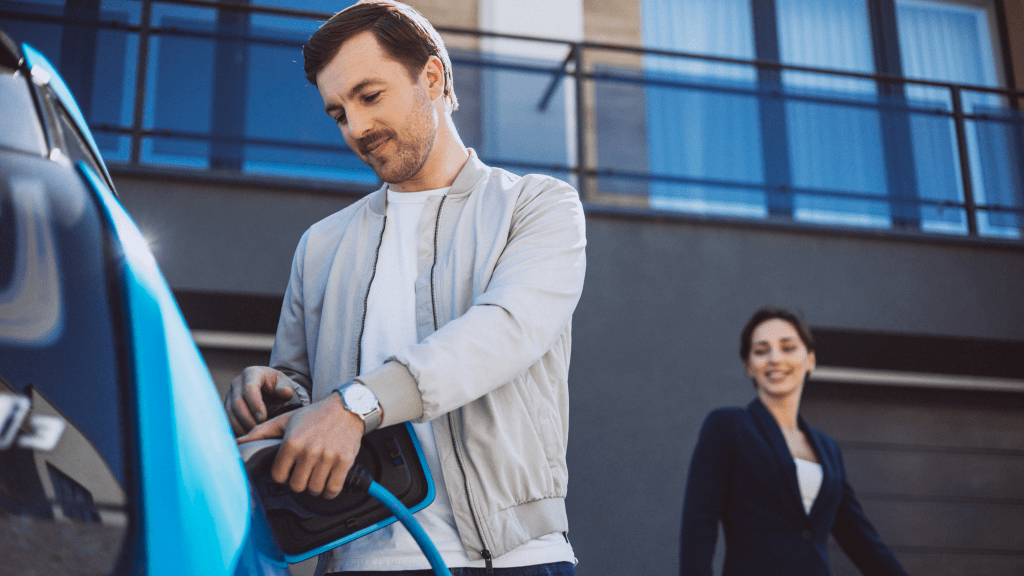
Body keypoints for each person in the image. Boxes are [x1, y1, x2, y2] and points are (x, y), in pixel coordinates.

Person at [224, 2, 586, 575]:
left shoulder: (537, 207)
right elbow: (308, 390)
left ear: (433, 77)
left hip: (515, 560)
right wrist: (279, 395)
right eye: (338, 113)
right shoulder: (320, 245)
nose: (357, 128)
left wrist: (355, 405)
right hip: (354, 560)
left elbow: (506, 330)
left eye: (370, 96)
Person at [679, 305, 908, 576]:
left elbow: (861, 540)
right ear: (749, 367)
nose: (775, 359)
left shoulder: (828, 449)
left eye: (788, 347)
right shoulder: (728, 426)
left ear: (810, 359)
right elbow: (699, 524)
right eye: (761, 351)